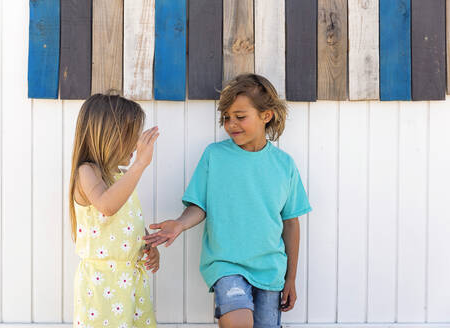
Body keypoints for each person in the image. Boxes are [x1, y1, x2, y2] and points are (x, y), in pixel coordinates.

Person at [144, 74, 312, 328]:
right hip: (226, 264)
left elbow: (290, 223)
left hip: (270, 270)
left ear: (266, 115)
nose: (231, 124)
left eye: (240, 116)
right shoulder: (215, 156)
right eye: (226, 118)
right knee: (238, 322)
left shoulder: (284, 165)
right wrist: (179, 224)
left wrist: (291, 279)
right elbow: (200, 206)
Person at [69, 93, 160, 328]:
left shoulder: (119, 176)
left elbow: (126, 223)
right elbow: (108, 206)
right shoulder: (87, 172)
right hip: (102, 285)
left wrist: (145, 247)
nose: (136, 144)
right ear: (109, 136)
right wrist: (140, 164)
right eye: (131, 136)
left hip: (130, 281)